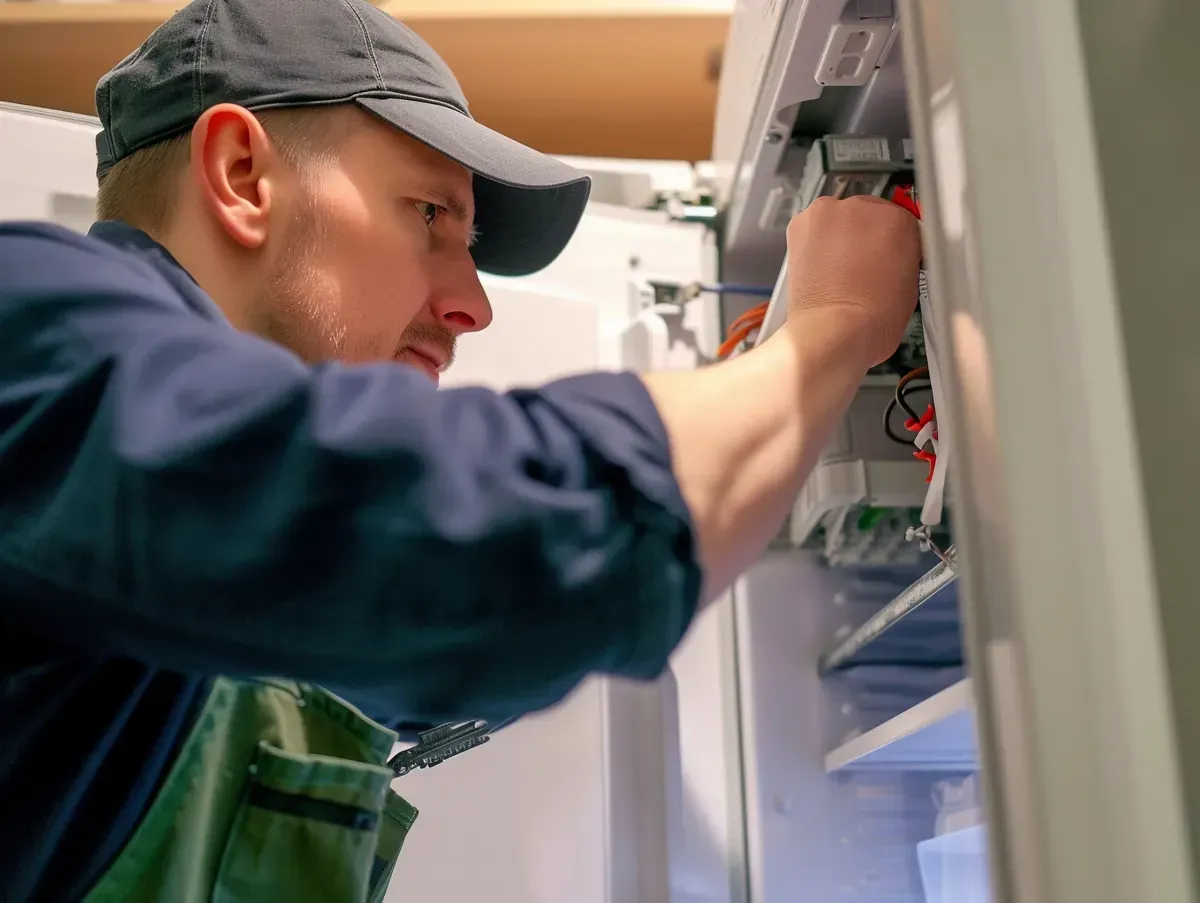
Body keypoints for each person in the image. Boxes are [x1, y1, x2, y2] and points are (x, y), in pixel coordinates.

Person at [0, 0, 920, 900]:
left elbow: (454, 613)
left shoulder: (187, 559)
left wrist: (759, 386)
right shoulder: (30, 325)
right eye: (432, 215)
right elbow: (505, 539)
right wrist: (830, 331)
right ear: (243, 175)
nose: (472, 306)